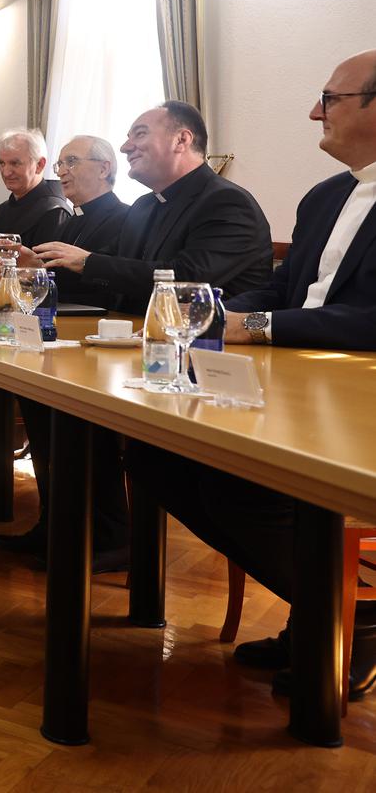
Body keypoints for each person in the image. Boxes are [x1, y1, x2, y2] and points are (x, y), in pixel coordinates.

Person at [129, 52, 376, 699]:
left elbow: (369, 318)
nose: (314, 112)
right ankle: (337, 611)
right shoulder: (325, 196)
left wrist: (256, 326)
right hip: (292, 383)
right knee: (157, 457)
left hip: (359, 398)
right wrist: (212, 316)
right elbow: (283, 286)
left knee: (243, 490)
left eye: (330, 97)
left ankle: (344, 619)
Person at [0, 135, 132, 569]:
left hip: (93, 344)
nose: (61, 171)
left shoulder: (123, 218)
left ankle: (108, 537)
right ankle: (53, 524)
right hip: (57, 338)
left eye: (71, 161)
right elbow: (60, 281)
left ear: (104, 168)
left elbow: (114, 285)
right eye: (60, 163)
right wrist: (29, 267)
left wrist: (55, 271)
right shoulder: (73, 219)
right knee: (45, 435)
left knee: (81, 442)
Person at [35, 101, 273, 311]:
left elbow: (186, 279)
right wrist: (38, 269)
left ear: (181, 140)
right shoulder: (144, 205)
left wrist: (87, 262)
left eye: (139, 134)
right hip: (136, 333)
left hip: (209, 342)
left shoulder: (227, 202)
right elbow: (111, 267)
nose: (125, 147)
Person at [0, 129, 72, 290]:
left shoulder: (55, 212)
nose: (6, 172)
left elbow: (51, 279)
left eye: (15, 163)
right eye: (2, 163)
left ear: (40, 165)